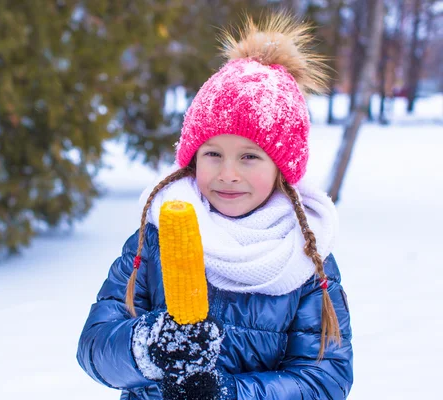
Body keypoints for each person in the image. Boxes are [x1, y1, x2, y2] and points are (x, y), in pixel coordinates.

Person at [77, 13, 353, 400]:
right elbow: (94, 346)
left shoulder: (305, 256)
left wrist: (227, 393)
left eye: (250, 157)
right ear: (192, 157)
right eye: (213, 153)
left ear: (282, 168)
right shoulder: (154, 240)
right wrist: (147, 346)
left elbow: (325, 380)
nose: (228, 173)